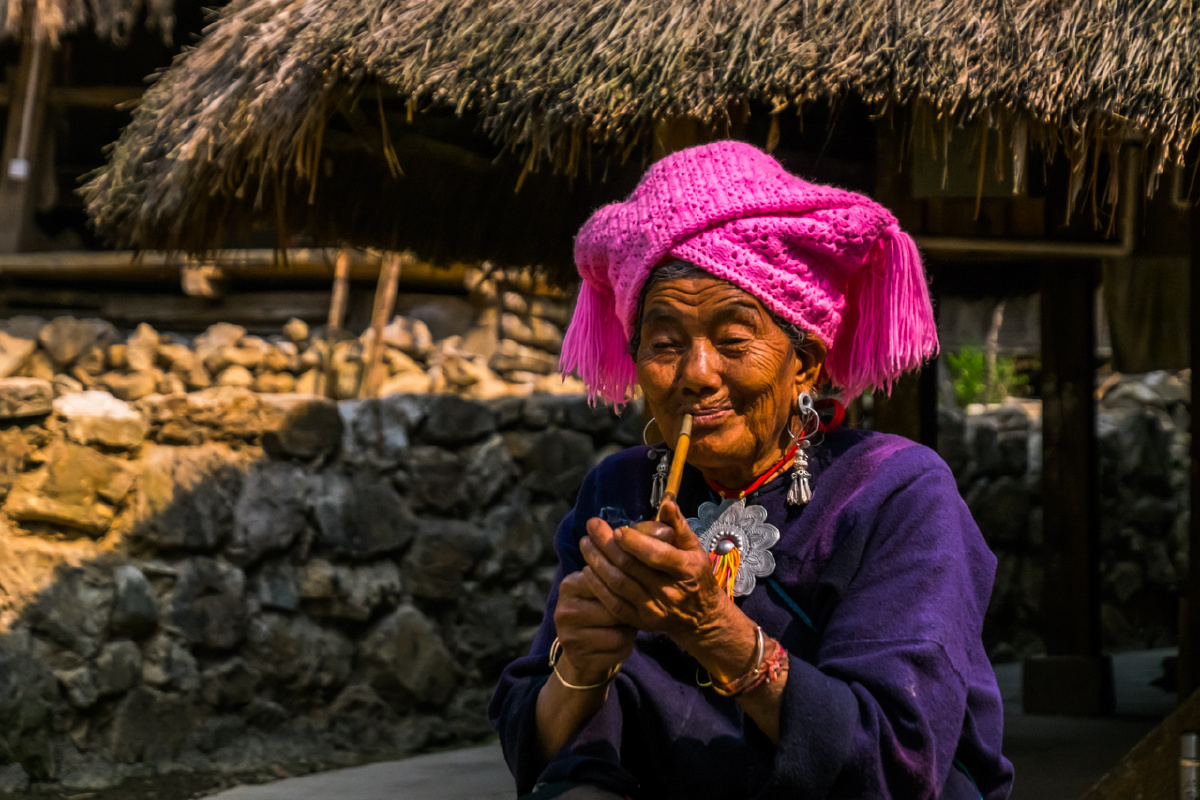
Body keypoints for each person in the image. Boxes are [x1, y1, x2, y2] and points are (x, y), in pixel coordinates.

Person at [489, 141, 1014, 800]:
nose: (696, 374)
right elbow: (537, 749)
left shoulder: (895, 492)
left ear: (808, 362)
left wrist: (716, 629)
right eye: (664, 344)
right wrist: (580, 667)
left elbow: (897, 766)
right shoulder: (618, 493)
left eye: (734, 341)